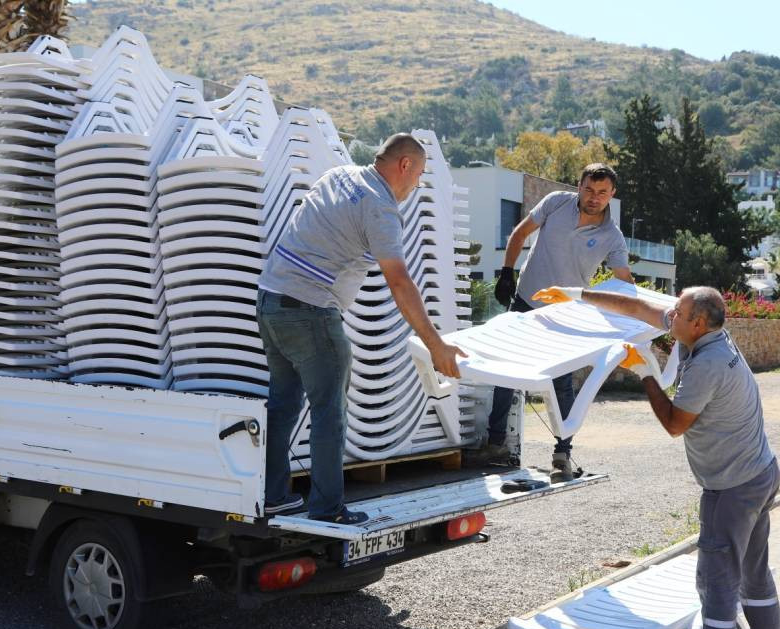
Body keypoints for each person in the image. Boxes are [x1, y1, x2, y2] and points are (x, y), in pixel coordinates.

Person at [533, 284, 780, 629]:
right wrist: (575, 294)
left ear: (698, 323)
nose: (670, 317)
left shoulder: (709, 365)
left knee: (717, 584)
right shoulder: (705, 332)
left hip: (732, 488)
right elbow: (636, 304)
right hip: (760, 473)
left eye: (678, 314)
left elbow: (674, 424)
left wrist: (647, 373)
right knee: (753, 572)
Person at [257, 134, 466, 524]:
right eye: (418, 174)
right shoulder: (380, 206)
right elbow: (400, 281)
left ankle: (271, 496)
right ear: (405, 165)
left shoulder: (339, 175)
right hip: (311, 311)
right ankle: (328, 510)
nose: (416, 184)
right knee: (329, 413)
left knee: (283, 405)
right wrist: (436, 345)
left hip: (270, 301)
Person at [466, 164, 633, 480]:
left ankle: (563, 452)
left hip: (566, 316)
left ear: (612, 194)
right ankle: (496, 443)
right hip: (526, 301)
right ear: (579, 185)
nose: (594, 197)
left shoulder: (612, 237)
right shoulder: (556, 202)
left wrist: (634, 317)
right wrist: (506, 273)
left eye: (602, 192)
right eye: (588, 189)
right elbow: (520, 233)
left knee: (561, 384)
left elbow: (625, 282)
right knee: (505, 371)